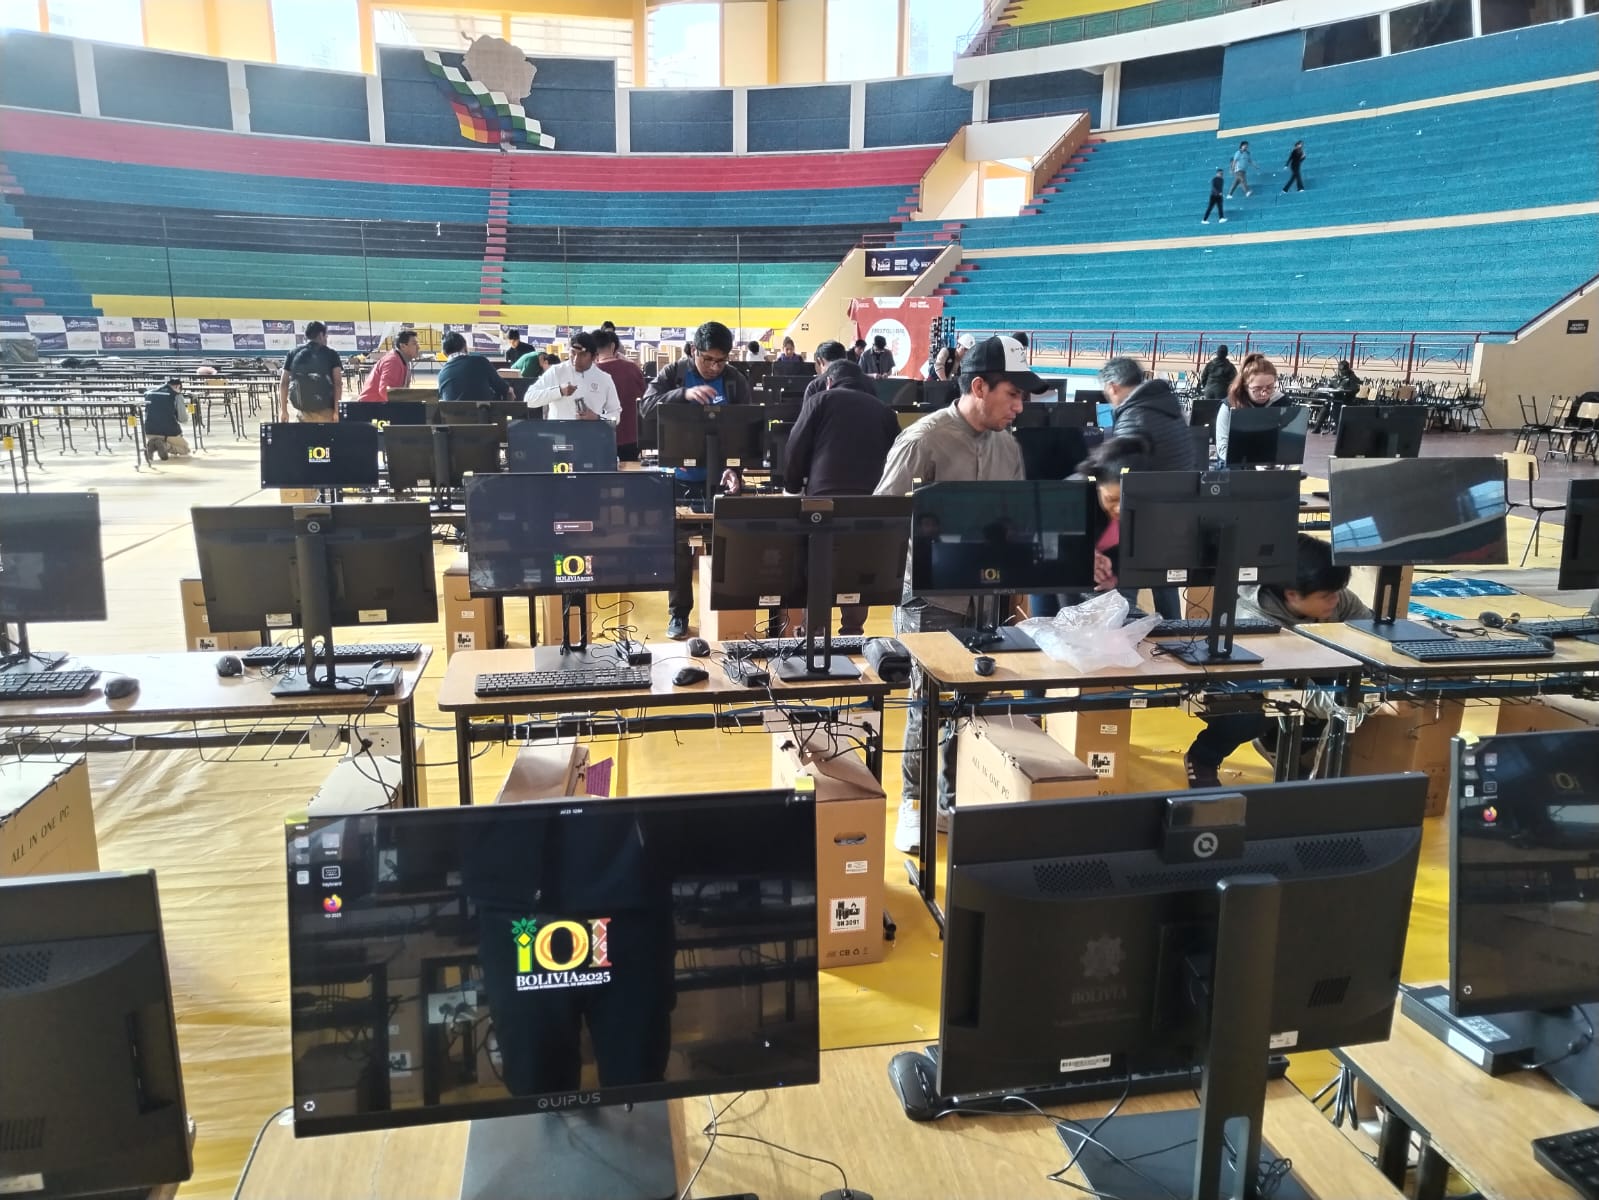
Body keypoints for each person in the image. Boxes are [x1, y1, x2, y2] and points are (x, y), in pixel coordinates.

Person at [875, 335, 1051, 853]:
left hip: (986, 597)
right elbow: (882, 516)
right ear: (979, 387)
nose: (1020, 407)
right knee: (925, 707)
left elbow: (1014, 519)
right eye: (1013, 394)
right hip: (931, 600)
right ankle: (913, 805)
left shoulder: (1007, 445)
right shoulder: (923, 441)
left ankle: (948, 799)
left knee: (970, 706)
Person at [1183, 535, 1371, 788]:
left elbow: (1371, 637)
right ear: (1292, 595)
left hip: (1298, 673)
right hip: (1239, 686)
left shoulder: (1332, 596)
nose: (1336, 600)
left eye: (1337, 591)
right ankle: (1203, 756)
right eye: (1327, 595)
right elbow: (1290, 691)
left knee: (1343, 681)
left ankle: (1275, 744)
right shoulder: (1253, 622)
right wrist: (1368, 704)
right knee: (1258, 708)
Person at [640, 320, 754, 639]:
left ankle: (723, 614)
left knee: (725, 548)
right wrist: (684, 394)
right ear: (693, 351)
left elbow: (747, 431)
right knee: (678, 550)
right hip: (679, 476)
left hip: (721, 479)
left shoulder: (735, 381)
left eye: (721, 360)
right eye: (708, 359)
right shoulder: (674, 374)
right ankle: (679, 613)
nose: (715, 367)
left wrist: (736, 470)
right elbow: (646, 407)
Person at [784, 355, 901, 636]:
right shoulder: (885, 412)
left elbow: (795, 447)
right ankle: (852, 632)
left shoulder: (819, 401)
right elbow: (897, 456)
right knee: (858, 568)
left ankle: (813, 633)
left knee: (818, 566)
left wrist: (791, 490)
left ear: (830, 381)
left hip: (823, 501)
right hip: (869, 505)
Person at [1100, 356, 1200, 620]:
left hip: (1143, 520)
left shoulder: (1135, 415)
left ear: (1112, 387)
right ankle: (1176, 632)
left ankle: (1124, 636)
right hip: (1174, 515)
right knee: (1164, 585)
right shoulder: (1166, 408)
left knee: (1124, 595)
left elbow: (1119, 475)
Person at [525, 331, 621, 424]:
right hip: (559, 433)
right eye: (573, 353)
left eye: (582, 355)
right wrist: (559, 391)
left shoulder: (604, 379)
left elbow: (616, 415)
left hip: (590, 434)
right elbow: (529, 400)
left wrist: (597, 418)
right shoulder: (556, 372)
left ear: (594, 356)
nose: (576, 359)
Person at [1214, 353, 1288, 465]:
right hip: (1235, 467)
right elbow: (1222, 449)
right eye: (1257, 389)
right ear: (1245, 386)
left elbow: (1288, 441)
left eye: (1270, 387)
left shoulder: (1282, 402)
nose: (1264, 393)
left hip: (1272, 465)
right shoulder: (1229, 405)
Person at [592, 327, 644, 462]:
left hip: (602, 436)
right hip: (632, 435)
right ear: (613, 346)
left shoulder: (592, 373)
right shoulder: (632, 368)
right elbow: (645, 397)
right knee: (631, 472)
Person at [278, 321, 342, 423]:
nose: (326, 339)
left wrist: (284, 411)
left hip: (303, 413)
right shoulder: (332, 354)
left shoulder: (293, 353)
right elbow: (337, 384)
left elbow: (284, 383)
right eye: (326, 336)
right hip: (326, 413)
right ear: (321, 335)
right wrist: (337, 412)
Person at [436, 331, 511, 403]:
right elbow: (503, 388)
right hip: (483, 412)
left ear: (444, 353)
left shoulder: (441, 374)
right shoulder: (480, 361)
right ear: (465, 347)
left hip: (453, 412)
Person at [357, 329, 419, 403]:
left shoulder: (402, 360)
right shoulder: (393, 361)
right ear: (403, 346)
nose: (418, 347)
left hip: (378, 405)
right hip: (371, 406)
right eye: (414, 344)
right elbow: (386, 391)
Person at [142, 377, 190, 462]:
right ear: (178, 386)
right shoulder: (177, 395)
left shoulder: (149, 393)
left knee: (158, 435)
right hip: (169, 432)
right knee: (185, 450)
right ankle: (165, 446)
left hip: (149, 431)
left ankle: (152, 444)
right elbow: (183, 419)